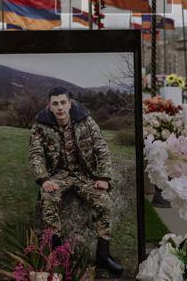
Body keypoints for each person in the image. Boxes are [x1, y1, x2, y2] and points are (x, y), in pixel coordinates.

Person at [28, 87, 123, 276]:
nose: (60, 107)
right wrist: (44, 179)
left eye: (63, 102)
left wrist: (104, 177)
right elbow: (35, 154)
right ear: (50, 106)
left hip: (83, 174)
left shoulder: (86, 121)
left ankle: (103, 255)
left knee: (103, 201)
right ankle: (57, 254)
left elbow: (101, 149)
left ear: (70, 104)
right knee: (48, 197)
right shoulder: (40, 125)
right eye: (55, 104)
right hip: (58, 175)